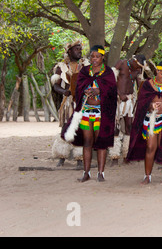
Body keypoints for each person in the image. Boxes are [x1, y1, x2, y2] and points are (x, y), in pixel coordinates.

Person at [62, 45, 117, 182]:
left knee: (100, 142)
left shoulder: (108, 72)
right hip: (86, 111)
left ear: (102, 57)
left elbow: (112, 90)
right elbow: (78, 88)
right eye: (92, 56)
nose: (94, 59)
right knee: (87, 142)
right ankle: (86, 173)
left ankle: (100, 173)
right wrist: (85, 91)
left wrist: (100, 91)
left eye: (97, 56)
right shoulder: (85, 71)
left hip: (101, 113)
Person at [126, 61, 162, 184]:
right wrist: (151, 106)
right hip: (150, 119)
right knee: (150, 147)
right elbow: (141, 103)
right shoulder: (147, 84)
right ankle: (147, 176)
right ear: (157, 71)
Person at [50, 39, 90, 168]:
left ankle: (79, 159)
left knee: (80, 128)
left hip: (82, 102)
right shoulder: (60, 67)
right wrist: (64, 91)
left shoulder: (86, 66)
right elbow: (55, 86)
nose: (79, 51)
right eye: (76, 49)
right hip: (68, 103)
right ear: (69, 51)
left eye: (80, 49)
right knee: (66, 127)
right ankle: (62, 157)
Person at [110, 54, 146, 166]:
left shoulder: (137, 70)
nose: (139, 69)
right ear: (134, 61)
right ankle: (114, 157)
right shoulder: (121, 63)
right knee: (115, 128)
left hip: (129, 100)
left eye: (141, 67)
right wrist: (119, 94)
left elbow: (140, 86)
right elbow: (110, 80)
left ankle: (127, 155)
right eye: (138, 66)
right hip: (117, 100)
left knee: (129, 127)